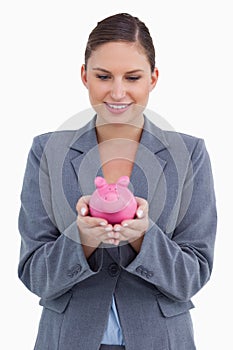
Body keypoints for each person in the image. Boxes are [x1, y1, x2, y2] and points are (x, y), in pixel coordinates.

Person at [18, 13, 217, 350]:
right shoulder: (48, 152)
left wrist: (144, 238)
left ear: (153, 79)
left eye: (133, 77)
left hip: (160, 340)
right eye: (104, 76)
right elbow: (35, 275)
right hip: (67, 340)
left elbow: (192, 275)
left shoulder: (189, 154)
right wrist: (81, 239)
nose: (118, 91)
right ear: (84, 76)